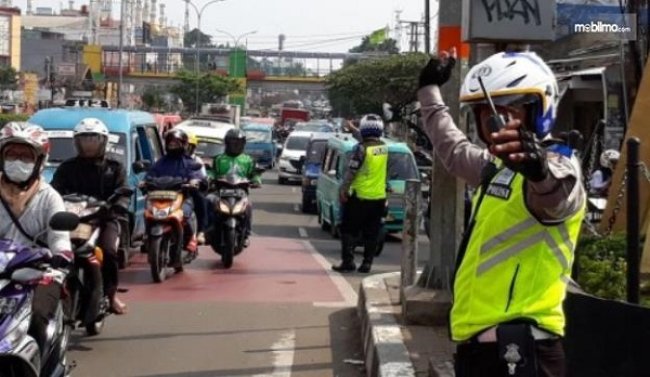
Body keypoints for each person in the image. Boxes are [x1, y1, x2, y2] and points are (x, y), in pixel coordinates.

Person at [417, 48, 586, 377]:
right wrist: (428, 90)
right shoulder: (495, 168)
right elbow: (452, 148)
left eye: (509, 115)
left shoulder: (559, 167)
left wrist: (538, 172)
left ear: (539, 110)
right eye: (488, 118)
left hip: (523, 350)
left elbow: (558, 199)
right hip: (483, 349)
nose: (498, 128)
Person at [0, 122, 73, 357]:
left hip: (37, 273)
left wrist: (60, 257)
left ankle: (43, 364)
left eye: (25, 156)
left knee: (39, 316)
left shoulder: (49, 197)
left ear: (40, 161)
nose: (17, 161)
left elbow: (60, 240)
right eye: (12, 154)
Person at [51, 117, 130, 314]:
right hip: (73, 220)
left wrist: (118, 205)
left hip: (104, 218)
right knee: (50, 250)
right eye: (84, 141)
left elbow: (124, 191)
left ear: (103, 142)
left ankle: (111, 296)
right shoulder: (66, 168)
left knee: (109, 252)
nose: (88, 146)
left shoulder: (114, 167)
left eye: (93, 140)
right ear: (77, 143)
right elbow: (53, 191)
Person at [332, 114, 389, 274]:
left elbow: (351, 171)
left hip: (359, 197)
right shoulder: (383, 147)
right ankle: (367, 264)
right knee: (372, 232)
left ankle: (348, 262)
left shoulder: (360, 149)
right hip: (378, 198)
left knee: (348, 230)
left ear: (364, 130)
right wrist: (353, 129)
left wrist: (343, 190)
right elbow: (368, 139)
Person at [144, 128, 206, 256]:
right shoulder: (160, 162)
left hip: (181, 197)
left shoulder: (189, 162)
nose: (172, 145)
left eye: (176, 143)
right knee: (147, 213)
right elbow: (150, 174)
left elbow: (196, 174)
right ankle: (147, 236)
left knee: (187, 213)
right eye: (170, 143)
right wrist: (145, 182)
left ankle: (193, 237)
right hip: (160, 196)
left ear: (183, 144)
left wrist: (194, 181)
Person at [208, 128, 261, 247]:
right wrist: (209, 177)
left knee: (248, 207)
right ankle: (207, 229)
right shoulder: (219, 159)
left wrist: (256, 181)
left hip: (240, 192)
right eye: (232, 143)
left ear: (243, 144)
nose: (235, 145)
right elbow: (212, 172)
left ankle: (246, 234)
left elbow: (254, 174)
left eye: (238, 143)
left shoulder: (248, 160)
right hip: (220, 192)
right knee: (208, 200)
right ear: (227, 143)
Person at [185, 131, 208, 245]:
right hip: (173, 189)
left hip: (190, 190)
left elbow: (203, 177)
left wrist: (197, 181)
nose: (185, 148)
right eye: (183, 145)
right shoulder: (171, 158)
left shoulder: (197, 161)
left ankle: (201, 232)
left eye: (188, 146)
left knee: (202, 200)